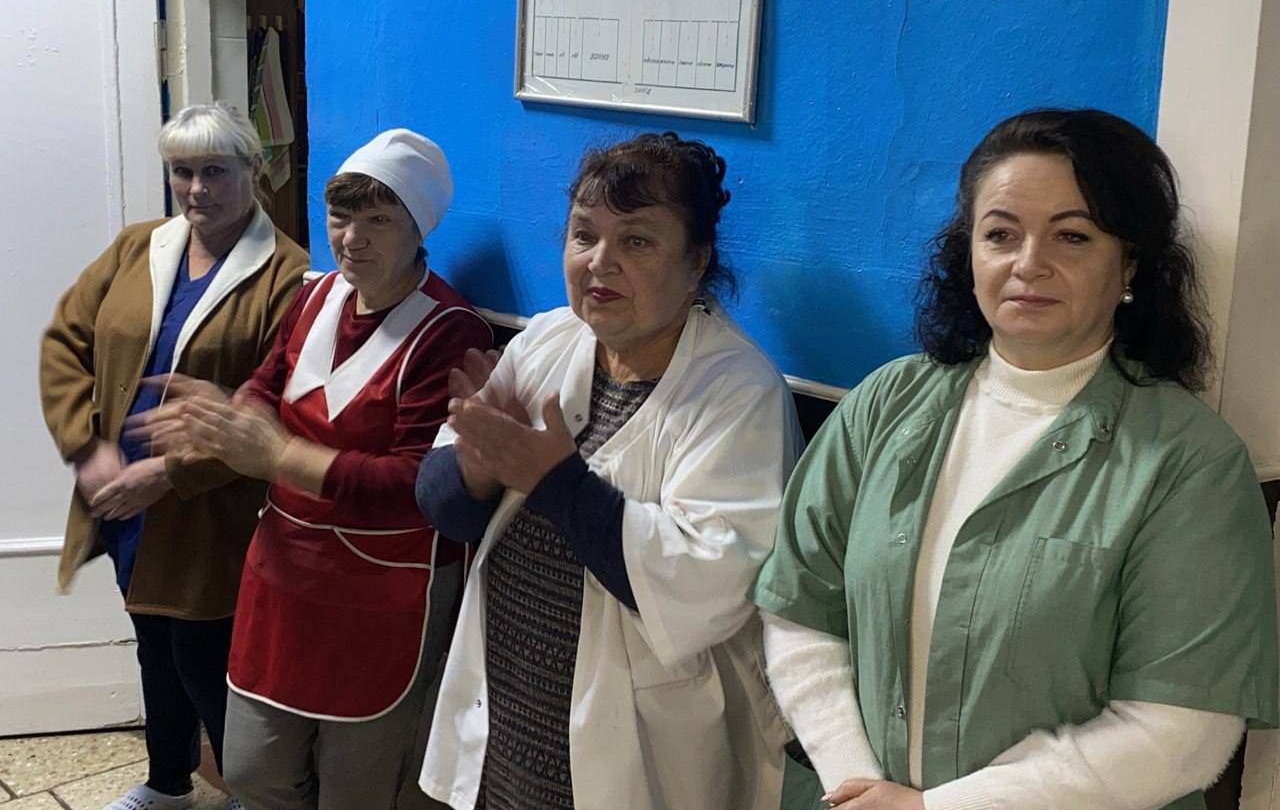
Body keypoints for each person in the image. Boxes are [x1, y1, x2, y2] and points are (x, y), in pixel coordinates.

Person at [751, 108, 1279, 810]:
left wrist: (934, 809)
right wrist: (857, 783)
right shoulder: (884, 405)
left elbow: (1184, 731)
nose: (1029, 264)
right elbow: (800, 611)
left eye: (1072, 235)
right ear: (967, 254)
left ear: (1130, 264)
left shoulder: (1189, 465)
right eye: (1001, 234)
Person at [415, 131, 803, 810]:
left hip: (637, 753)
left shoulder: (738, 392)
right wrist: (476, 464)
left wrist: (556, 483)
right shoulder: (547, 339)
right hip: (510, 722)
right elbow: (440, 503)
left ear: (697, 261)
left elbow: (707, 586)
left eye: (637, 241)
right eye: (584, 235)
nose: (600, 261)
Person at [173, 129, 491, 810]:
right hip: (284, 576)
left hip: (385, 592)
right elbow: (268, 383)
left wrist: (278, 457)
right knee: (252, 769)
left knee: (359, 788)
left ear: (420, 227)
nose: (352, 239)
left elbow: (416, 484)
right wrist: (231, 421)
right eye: (341, 217)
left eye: (379, 220)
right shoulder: (315, 297)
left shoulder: (449, 331)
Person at [39, 102, 309, 810]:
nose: (197, 189)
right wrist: (87, 446)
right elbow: (65, 341)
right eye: (182, 172)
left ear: (254, 169)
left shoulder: (288, 275)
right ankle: (167, 785)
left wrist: (172, 472)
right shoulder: (139, 247)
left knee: (207, 659)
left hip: (208, 510)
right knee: (153, 642)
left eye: (215, 171)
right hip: (122, 500)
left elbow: (272, 407)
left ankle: (250, 794)